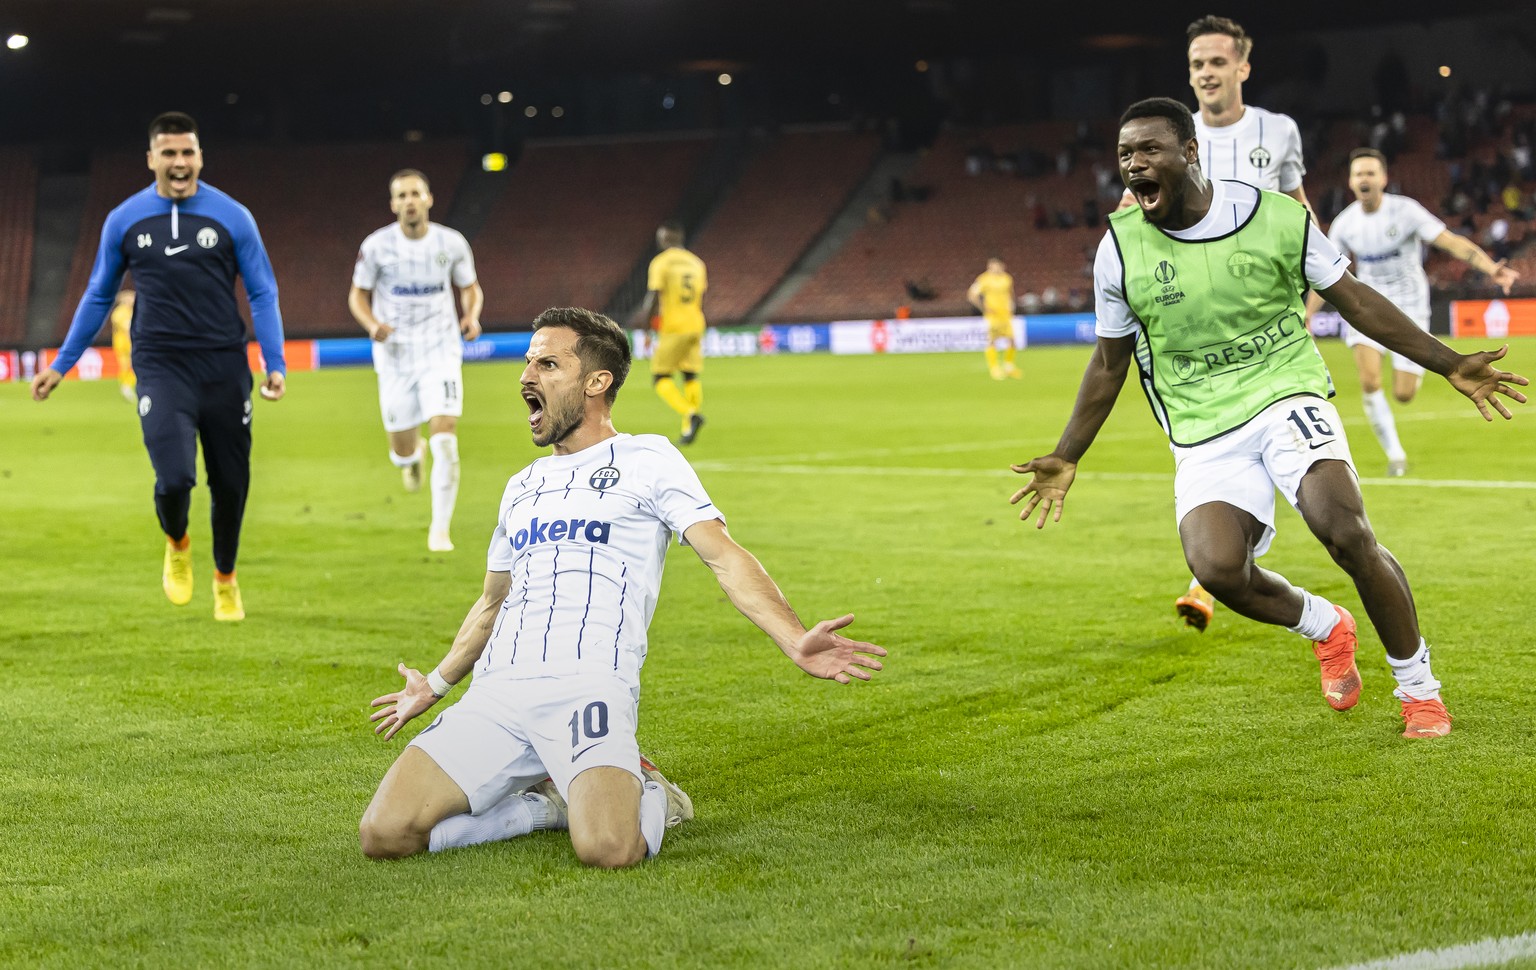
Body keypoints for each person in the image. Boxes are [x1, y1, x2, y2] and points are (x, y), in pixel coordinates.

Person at [1009, 98, 1527, 740]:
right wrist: (1067, 454)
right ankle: (1327, 626)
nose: (1134, 164)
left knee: (1343, 529)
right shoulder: (1118, 250)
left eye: (1149, 150)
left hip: (1287, 394)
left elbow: (1355, 301)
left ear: (1190, 152)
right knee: (1218, 569)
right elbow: (1110, 363)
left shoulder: (1272, 215)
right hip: (1202, 425)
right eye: (1124, 155)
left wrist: (1448, 362)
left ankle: (1419, 689)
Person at [359, 306, 886, 866]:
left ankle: (649, 788)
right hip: (498, 693)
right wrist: (436, 686)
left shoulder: (648, 460)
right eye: (528, 362)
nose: (526, 376)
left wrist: (793, 637)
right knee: (384, 834)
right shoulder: (521, 486)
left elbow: (725, 558)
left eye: (547, 363)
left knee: (609, 848)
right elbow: (492, 602)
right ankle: (547, 809)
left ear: (596, 381)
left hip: (589, 687)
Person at [31, 111, 286, 622]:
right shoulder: (124, 220)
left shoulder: (233, 216)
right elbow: (99, 294)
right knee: (174, 478)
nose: (178, 162)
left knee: (231, 483)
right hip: (160, 364)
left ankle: (226, 578)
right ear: (151, 159)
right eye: (168, 153)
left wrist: (274, 360)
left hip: (223, 364)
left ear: (199, 157)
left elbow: (262, 290)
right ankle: (177, 541)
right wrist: (62, 364)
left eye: (187, 152)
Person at [1305, 148, 1520, 476]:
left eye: (1370, 173)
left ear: (1383, 179)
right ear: (1350, 181)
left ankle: (1401, 405)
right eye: (1359, 174)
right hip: (1367, 306)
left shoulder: (1406, 212)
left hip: (1409, 305)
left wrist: (1492, 269)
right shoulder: (1345, 224)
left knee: (1404, 394)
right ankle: (1396, 456)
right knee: (1369, 380)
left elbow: (1450, 242)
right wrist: (1307, 315)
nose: (1364, 179)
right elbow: (1325, 274)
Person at [348, 169, 483, 553]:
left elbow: (470, 288)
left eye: (415, 193)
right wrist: (372, 324)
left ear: (428, 198)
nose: (409, 201)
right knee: (402, 449)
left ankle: (440, 530)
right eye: (402, 195)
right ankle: (411, 457)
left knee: (446, 439)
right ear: (393, 204)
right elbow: (357, 296)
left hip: (440, 349)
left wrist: (470, 316)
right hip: (395, 356)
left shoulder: (451, 243)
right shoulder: (376, 247)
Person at [639, 222, 708, 445]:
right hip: (696, 323)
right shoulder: (697, 263)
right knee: (690, 375)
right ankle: (689, 430)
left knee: (660, 378)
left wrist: (648, 327)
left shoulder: (661, 263)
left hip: (673, 327)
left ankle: (690, 414)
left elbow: (653, 298)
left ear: (665, 239)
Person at [967, 257, 1021, 380]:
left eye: (998, 265)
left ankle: (1009, 367)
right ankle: (994, 368)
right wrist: (984, 308)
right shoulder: (984, 279)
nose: (996, 268)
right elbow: (972, 295)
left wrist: (1011, 306)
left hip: (1005, 315)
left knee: (1012, 340)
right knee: (992, 340)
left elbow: (1010, 294)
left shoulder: (1007, 278)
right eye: (993, 266)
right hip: (993, 315)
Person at [109, 288, 137, 403]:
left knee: (133, 365)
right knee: (126, 365)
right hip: (123, 345)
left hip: (132, 343)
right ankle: (126, 386)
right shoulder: (119, 313)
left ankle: (128, 385)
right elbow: (126, 329)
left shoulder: (133, 311)